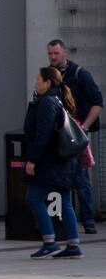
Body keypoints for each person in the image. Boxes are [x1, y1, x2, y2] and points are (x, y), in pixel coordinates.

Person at [23, 66, 82, 258]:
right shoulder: (57, 100)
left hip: (48, 162)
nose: (35, 82)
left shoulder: (47, 102)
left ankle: (49, 241)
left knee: (33, 198)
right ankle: (73, 244)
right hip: (61, 161)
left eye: (39, 79)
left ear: (48, 82)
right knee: (64, 201)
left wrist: (32, 160)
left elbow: (43, 134)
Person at [47, 40, 101, 235]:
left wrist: (84, 127)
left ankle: (87, 220)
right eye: (50, 54)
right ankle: (59, 219)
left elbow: (97, 102)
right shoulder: (49, 76)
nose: (53, 57)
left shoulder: (79, 74)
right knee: (59, 177)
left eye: (56, 53)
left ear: (65, 53)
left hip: (74, 133)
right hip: (56, 133)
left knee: (80, 177)